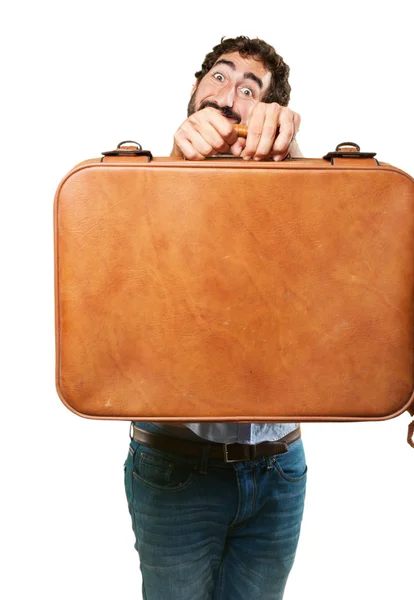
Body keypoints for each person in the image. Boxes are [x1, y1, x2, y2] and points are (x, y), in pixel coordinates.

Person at [124, 36, 307, 600]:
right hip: (175, 470)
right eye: (220, 78)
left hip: (280, 468)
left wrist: (293, 157)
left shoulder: (297, 194)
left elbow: (332, 274)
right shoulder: (136, 191)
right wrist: (177, 162)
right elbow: (133, 307)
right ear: (195, 92)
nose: (230, 97)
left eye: (251, 91)